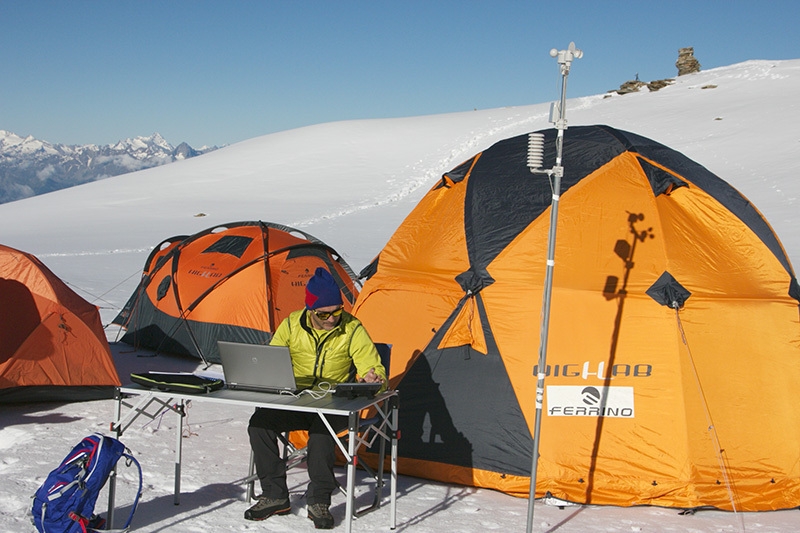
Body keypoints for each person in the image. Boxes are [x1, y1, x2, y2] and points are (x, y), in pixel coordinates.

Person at [246, 267, 387, 529]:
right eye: (324, 314)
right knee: (259, 424)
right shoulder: (290, 324)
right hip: (296, 398)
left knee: (323, 435)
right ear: (310, 309)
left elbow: (373, 367)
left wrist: (373, 378)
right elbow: (269, 360)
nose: (332, 318)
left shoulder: (352, 328)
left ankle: (319, 499)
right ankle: (274, 495)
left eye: (337, 311)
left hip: (333, 402)